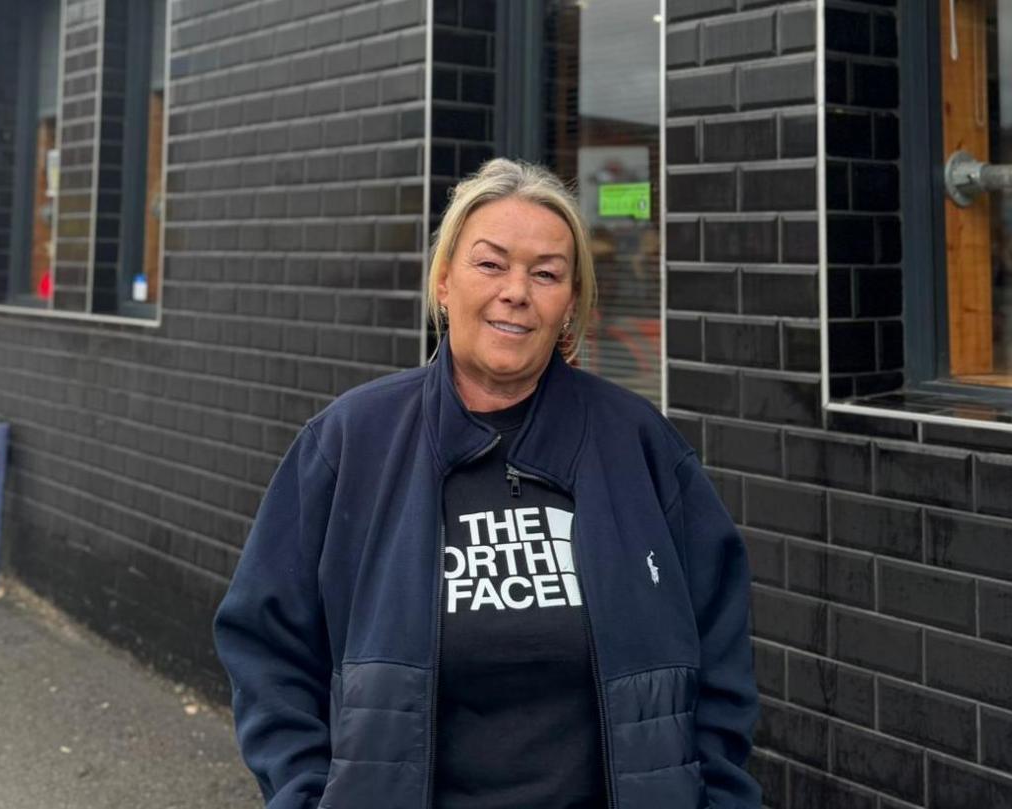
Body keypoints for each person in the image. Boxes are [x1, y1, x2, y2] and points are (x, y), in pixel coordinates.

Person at [214, 158, 759, 809]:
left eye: (547, 273)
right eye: (490, 263)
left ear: (569, 306)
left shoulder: (639, 447)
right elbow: (266, 643)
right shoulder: (352, 440)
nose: (516, 291)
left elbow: (723, 659)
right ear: (444, 282)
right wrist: (306, 794)